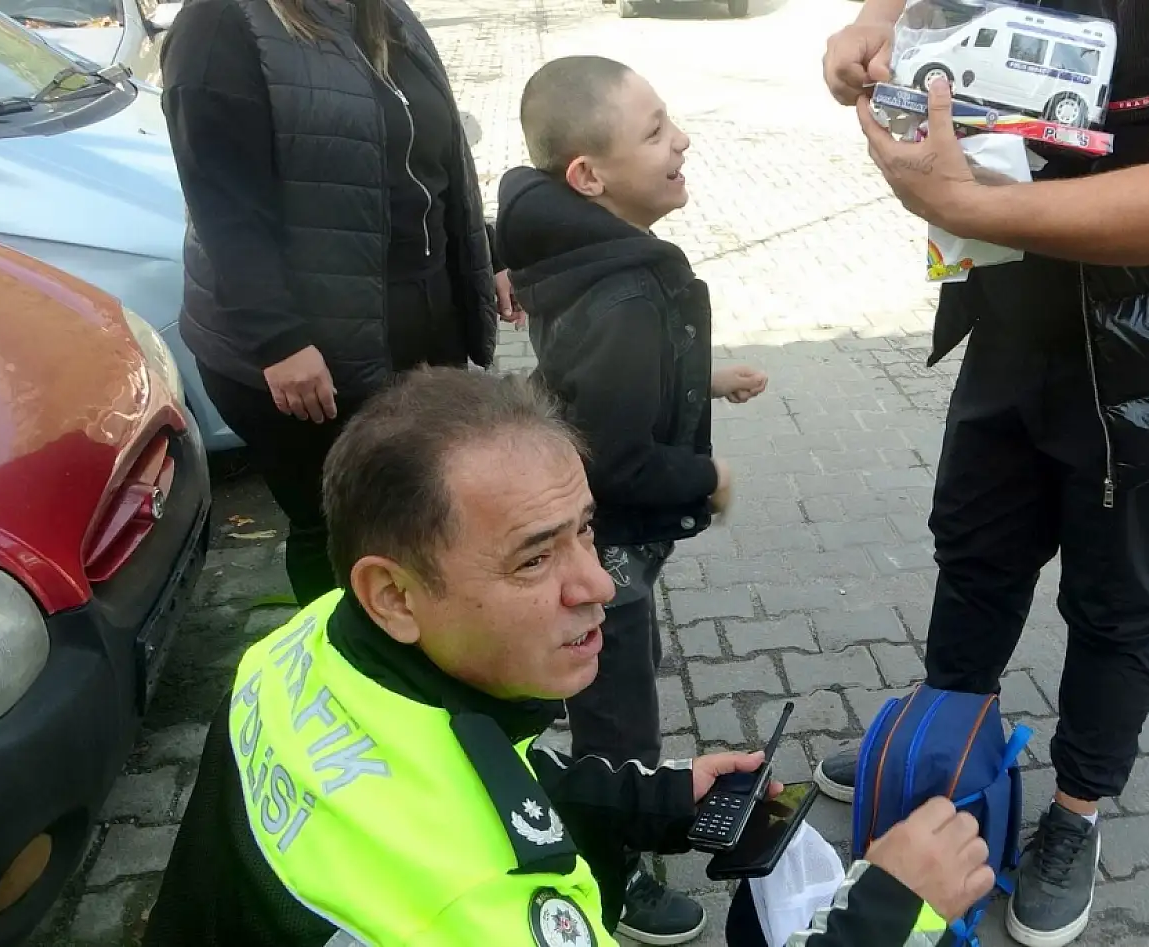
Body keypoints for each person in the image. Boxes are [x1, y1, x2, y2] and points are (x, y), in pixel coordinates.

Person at [815, 1, 1149, 944]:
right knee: (975, 543)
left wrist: (964, 203)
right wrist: (885, 16)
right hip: (1021, 292)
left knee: (1117, 595)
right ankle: (945, 742)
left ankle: (1076, 809)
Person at [142, 367, 995, 947]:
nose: (594, 583)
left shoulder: (306, 640)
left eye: (585, 529)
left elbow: (469, 774)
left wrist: (660, 798)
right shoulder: (486, 907)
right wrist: (888, 909)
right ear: (395, 595)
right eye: (534, 557)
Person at [488, 54, 768, 943]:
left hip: (589, 542)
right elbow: (612, 459)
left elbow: (588, 381)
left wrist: (701, 381)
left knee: (611, 699)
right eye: (654, 131)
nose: (680, 138)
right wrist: (708, 478)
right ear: (588, 175)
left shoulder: (584, 251)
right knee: (618, 718)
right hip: (601, 558)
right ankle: (616, 880)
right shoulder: (624, 293)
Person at [159, 0, 520, 604]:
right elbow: (224, 205)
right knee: (337, 532)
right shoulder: (222, 23)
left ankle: (424, 655)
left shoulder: (380, 12)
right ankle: (349, 678)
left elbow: (429, 157)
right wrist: (279, 340)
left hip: (418, 336)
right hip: (309, 359)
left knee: (419, 516)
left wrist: (487, 253)